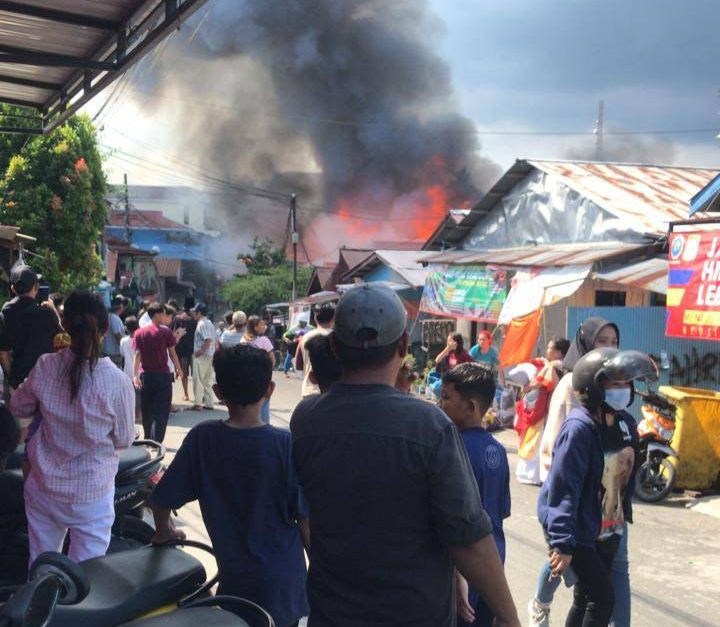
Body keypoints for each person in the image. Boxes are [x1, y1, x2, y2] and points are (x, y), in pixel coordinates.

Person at [290, 284, 520, 627]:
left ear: (335, 347)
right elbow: (468, 538)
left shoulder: (306, 419)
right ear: (402, 346)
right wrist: (509, 617)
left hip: (332, 613)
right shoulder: (430, 426)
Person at [150, 345, 309, 627]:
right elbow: (305, 519)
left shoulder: (203, 439)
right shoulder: (284, 445)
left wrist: (164, 532)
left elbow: (161, 500)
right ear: (270, 389)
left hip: (235, 580)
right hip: (283, 581)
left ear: (219, 392)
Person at [10, 291, 134, 566]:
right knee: (86, 578)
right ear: (104, 329)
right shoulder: (117, 382)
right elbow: (124, 439)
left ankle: (41, 608)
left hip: (44, 489)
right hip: (92, 495)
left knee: (42, 567)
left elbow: (18, 407)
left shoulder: (45, 366)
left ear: (64, 323)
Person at [536, 348, 650, 627]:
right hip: (580, 530)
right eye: (615, 384)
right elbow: (564, 488)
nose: (623, 390)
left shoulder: (625, 423)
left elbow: (622, 478)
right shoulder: (579, 428)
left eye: (626, 383)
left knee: (585, 597)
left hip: (610, 527)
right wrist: (561, 541)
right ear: (593, 387)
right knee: (603, 599)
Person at [531, 320, 622, 627]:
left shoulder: (610, 402)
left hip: (597, 515)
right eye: (602, 340)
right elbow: (562, 466)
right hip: (572, 511)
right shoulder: (578, 392)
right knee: (599, 593)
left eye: (614, 340)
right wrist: (561, 533)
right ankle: (540, 603)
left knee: (587, 593)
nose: (609, 346)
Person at [441, 362, 511, 627]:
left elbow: (456, 522)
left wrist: (457, 578)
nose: (440, 403)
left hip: (463, 571)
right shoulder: (499, 452)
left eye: (446, 397)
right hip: (493, 566)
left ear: (470, 407)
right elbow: (500, 512)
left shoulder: (451, 451)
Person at [0, 264, 62, 398]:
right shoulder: (47, 313)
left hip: (18, 385)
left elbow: (3, 352)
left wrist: (13, 380)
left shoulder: (6, 312)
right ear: (36, 288)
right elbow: (65, 340)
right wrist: (54, 313)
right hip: (44, 385)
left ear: (13, 289)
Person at [515, 337, 570, 486]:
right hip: (560, 407)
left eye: (550, 348)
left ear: (559, 352)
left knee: (539, 441)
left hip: (550, 408)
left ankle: (537, 475)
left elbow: (539, 383)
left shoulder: (553, 366)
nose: (548, 350)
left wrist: (528, 387)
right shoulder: (567, 365)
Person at [132, 303, 182, 443]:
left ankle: (148, 438)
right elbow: (172, 353)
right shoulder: (165, 331)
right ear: (158, 314)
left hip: (146, 375)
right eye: (163, 313)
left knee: (147, 409)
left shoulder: (139, 333)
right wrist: (179, 369)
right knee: (161, 410)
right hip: (163, 375)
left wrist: (135, 375)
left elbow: (137, 355)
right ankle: (157, 441)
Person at [240, 315, 276, 424]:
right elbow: (272, 360)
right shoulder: (264, 340)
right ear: (255, 327)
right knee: (264, 405)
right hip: (262, 378)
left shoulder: (242, 340)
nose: (264, 326)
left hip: (246, 378)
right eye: (262, 324)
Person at [297, 302, 336, 397]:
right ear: (333, 318)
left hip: (309, 391)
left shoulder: (305, 338)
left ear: (315, 318)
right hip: (333, 392)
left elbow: (299, 365)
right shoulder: (338, 338)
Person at [191, 303, 216, 411]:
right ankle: (209, 403)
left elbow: (208, 340)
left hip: (202, 356)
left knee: (198, 380)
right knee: (207, 380)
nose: (193, 313)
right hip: (209, 355)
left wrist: (199, 352)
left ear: (199, 313)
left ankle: (197, 403)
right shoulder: (209, 322)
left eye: (195, 312)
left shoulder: (202, 324)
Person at [172, 299, 197, 402]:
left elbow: (173, 333)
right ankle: (200, 395)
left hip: (181, 350)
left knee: (184, 373)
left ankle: (186, 394)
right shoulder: (195, 320)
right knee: (197, 374)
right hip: (194, 350)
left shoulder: (177, 319)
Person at [120, 316, 141, 424]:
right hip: (139, 370)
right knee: (138, 394)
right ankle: (138, 414)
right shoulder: (141, 339)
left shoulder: (123, 341)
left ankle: (131, 414)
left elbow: (122, 354)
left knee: (129, 394)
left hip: (127, 371)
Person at [103, 296, 126, 367]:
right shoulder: (114, 318)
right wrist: (124, 350)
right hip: (114, 355)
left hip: (108, 352)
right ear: (121, 306)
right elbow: (117, 335)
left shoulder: (109, 316)